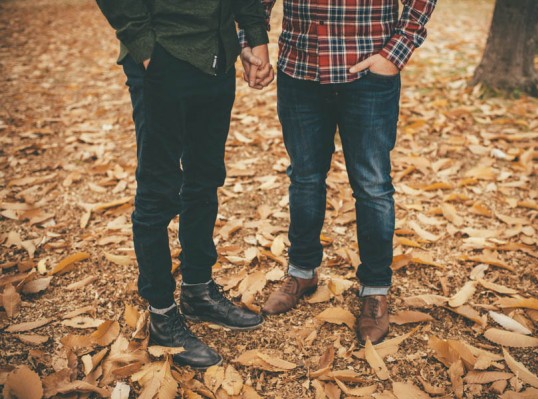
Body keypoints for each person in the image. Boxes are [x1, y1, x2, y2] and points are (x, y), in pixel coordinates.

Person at [95, 0, 274, 368]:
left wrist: (254, 37)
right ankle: (162, 312)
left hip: (218, 59)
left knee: (205, 178)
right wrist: (144, 48)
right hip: (164, 56)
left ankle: (198, 289)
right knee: (157, 190)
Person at [249, 0, 437, 345]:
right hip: (299, 69)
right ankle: (302, 273)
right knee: (304, 177)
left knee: (373, 186)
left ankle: (375, 290)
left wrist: (395, 53)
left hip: (368, 71)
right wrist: (252, 41)